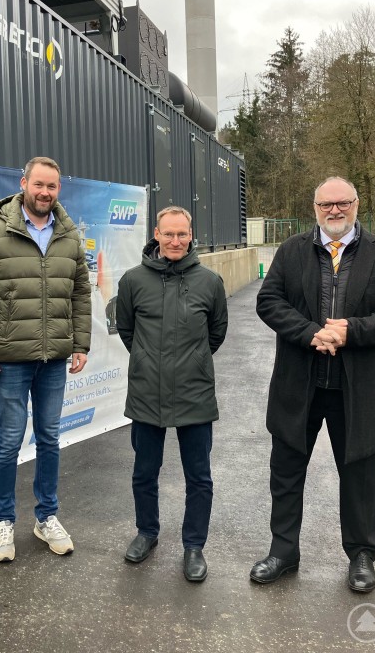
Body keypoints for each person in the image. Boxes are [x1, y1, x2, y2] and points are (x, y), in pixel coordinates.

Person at [251, 176, 375, 593]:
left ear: (356, 204)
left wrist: (352, 331)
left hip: (358, 390)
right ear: (315, 208)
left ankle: (362, 555)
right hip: (299, 385)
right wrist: (311, 333)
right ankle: (283, 552)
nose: (335, 211)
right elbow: (269, 301)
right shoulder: (292, 250)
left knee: (360, 474)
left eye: (342, 203)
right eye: (326, 204)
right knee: (286, 471)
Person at [0, 156, 91, 561]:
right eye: (38, 184)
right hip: (9, 359)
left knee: (50, 438)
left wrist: (80, 343)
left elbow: (80, 293)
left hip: (54, 358)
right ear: (23, 184)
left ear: (59, 189)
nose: (44, 192)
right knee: (9, 440)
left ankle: (46, 516)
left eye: (51, 186)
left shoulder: (69, 235)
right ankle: (3, 520)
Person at [116, 206, 228, 582]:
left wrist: (191, 362)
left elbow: (216, 333)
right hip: (146, 393)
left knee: (199, 477)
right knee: (144, 472)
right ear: (157, 234)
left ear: (191, 235)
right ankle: (146, 532)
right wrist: (148, 361)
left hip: (195, 394)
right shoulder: (133, 281)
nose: (175, 241)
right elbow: (127, 330)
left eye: (182, 234)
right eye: (169, 234)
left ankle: (194, 546)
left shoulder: (210, 282)